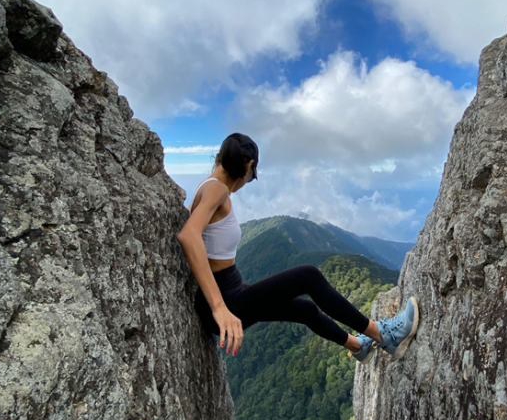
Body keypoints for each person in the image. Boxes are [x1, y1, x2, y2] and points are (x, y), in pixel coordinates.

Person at [176, 132, 419, 363]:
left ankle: (358, 346)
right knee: (308, 276)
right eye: (251, 176)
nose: (247, 183)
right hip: (225, 299)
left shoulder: (204, 186)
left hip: (231, 292)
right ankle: (383, 335)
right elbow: (189, 236)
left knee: (305, 309)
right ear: (248, 165)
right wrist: (219, 308)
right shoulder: (218, 189)